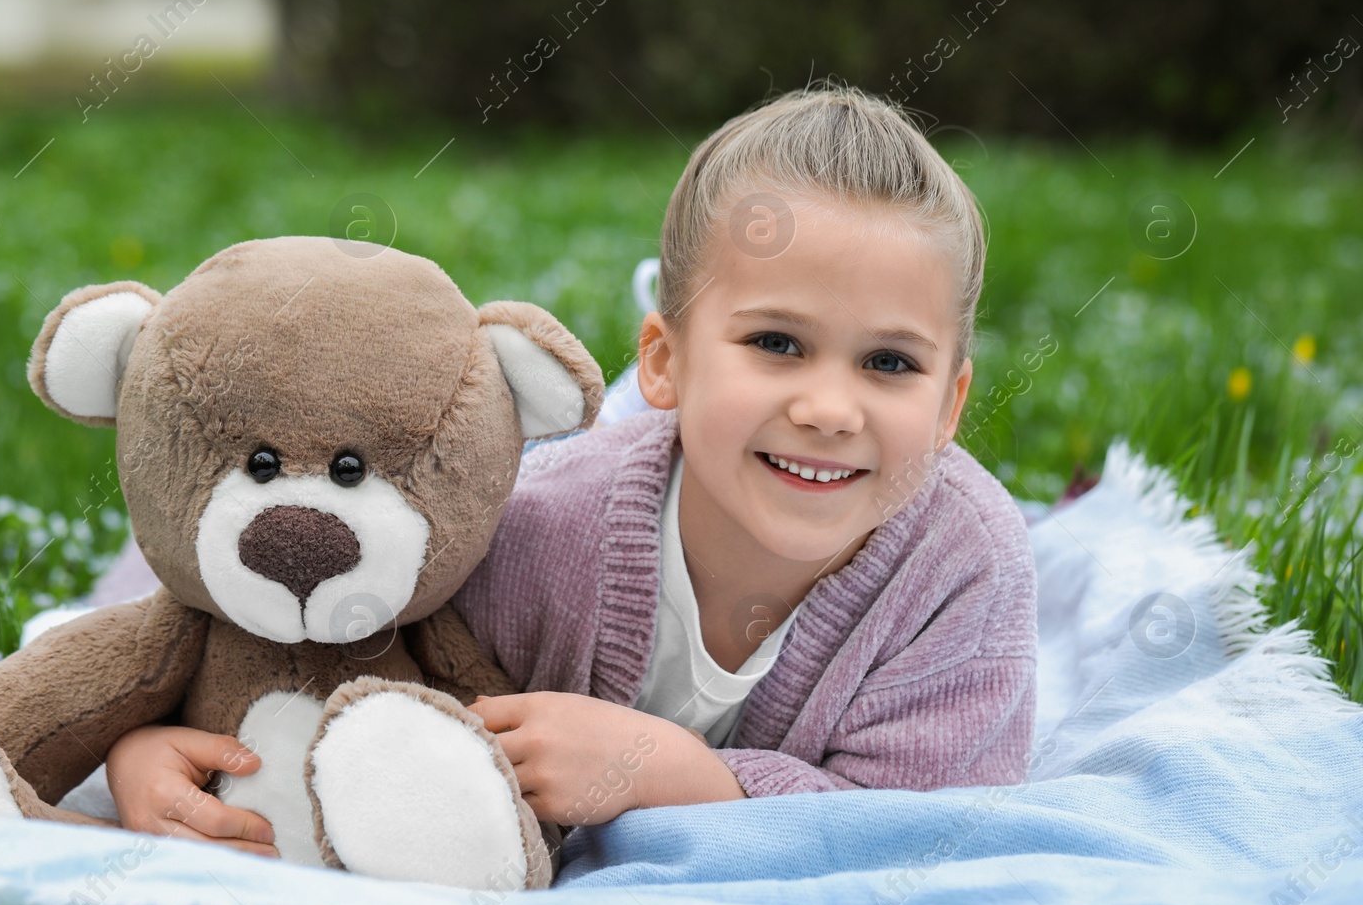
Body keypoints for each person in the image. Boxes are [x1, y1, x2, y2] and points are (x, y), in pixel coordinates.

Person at [103, 82, 1037, 852]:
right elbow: (299, 633)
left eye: (890, 363)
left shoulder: (966, 566)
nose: (830, 409)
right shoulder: (542, 526)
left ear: (952, 403)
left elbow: (930, 831)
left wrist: (680, 772)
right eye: (778, 342)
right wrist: (145, 741)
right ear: (666, 362)